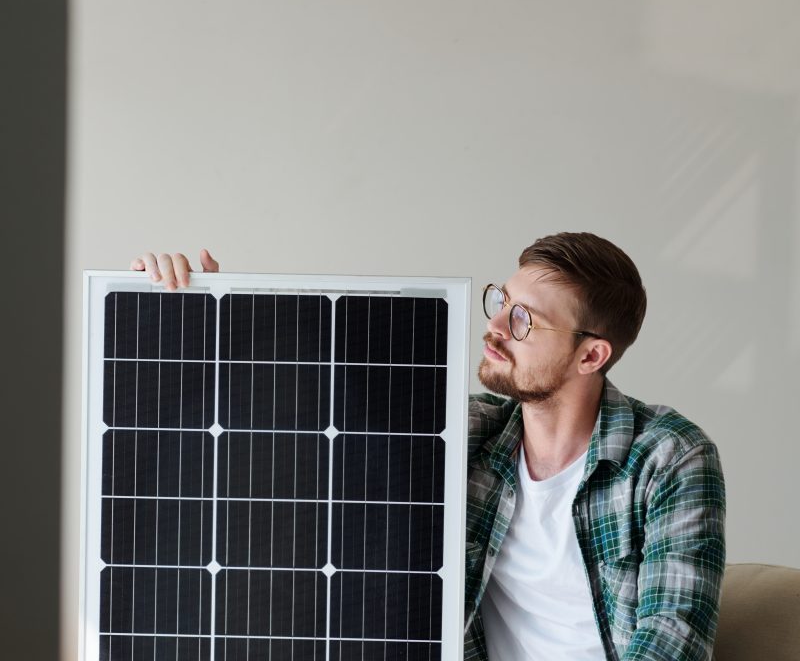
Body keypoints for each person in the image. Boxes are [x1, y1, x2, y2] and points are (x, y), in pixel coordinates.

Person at [132, 233, 725, 661]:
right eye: (502, 302)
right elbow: (304, 428)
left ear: (591, 355)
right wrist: (209, 312)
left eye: (526, 321)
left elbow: (673, 641)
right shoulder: (466, 437)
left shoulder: (668, 458)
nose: (496, 328)